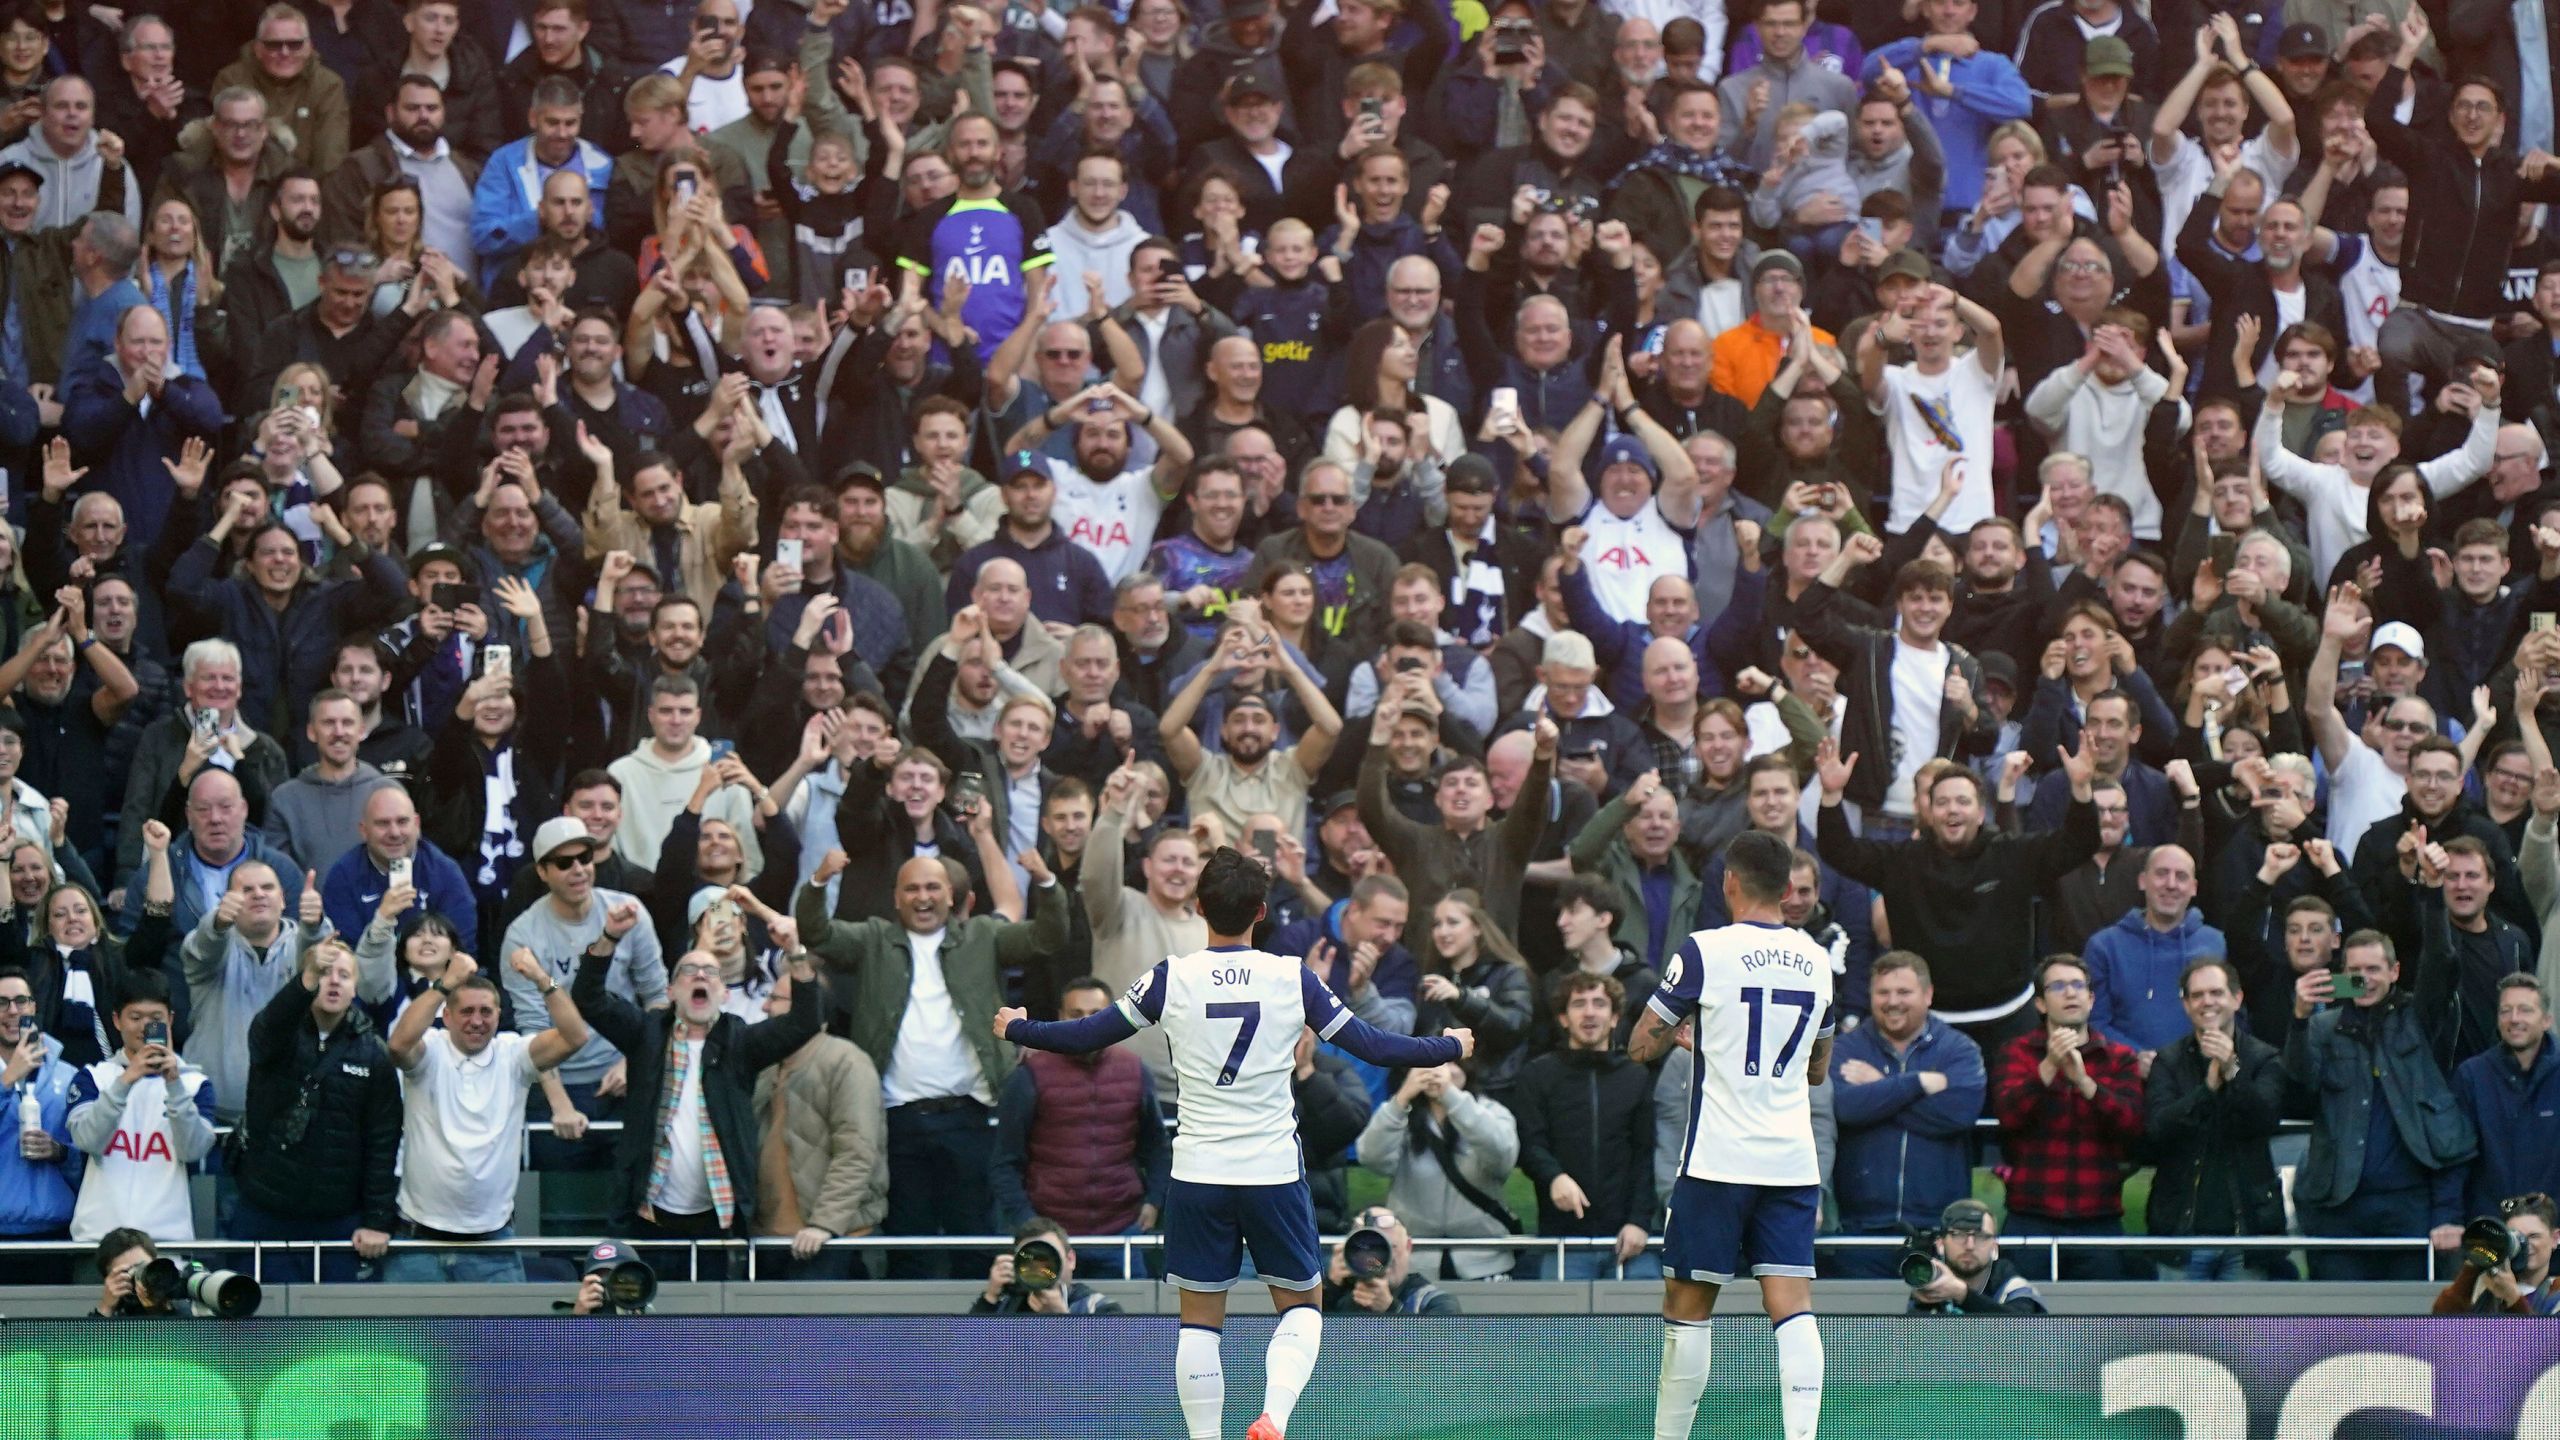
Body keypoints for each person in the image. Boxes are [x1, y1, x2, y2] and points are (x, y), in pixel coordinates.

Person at [994, 846, 1471, 1440]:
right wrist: (1447, 1045)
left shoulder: (1169, 978)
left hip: (1197, 1171)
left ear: (1199, 908)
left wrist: (1020, 1026)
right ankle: (1274, 1415)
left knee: (1199, 1324)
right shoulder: (1292, 978)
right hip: (1271, 1169)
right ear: (1262, 911)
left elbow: (1088, 1032)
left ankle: (1205, 1438)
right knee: (1301, 1307)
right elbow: (1375, 1045)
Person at [1627, 830, 1833, 1440]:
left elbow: (1641, 1045)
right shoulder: (1816, 959)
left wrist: (1684, 1032)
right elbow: (1817, 1069)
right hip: (1792, 1161)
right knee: (1792, 1307)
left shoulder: (1703, 950)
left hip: (1717, 1158)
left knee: (1688, 1310)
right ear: (1791, 890)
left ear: (1730, 882)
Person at [574, 911, 827, 1276]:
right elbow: (588, 998)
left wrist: (794, 951)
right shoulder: (646, 1036)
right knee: (649, 1324)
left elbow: (806, 1020)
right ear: (671, 992)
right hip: (649, 1218)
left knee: (708, 1328)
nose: (700, 977)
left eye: (711, 973)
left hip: (718, 1221)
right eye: (689, 971)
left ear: (724, 994)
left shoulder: (740, 1042)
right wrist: (609, 938)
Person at [383, 946, 591, 1283]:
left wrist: (541, 978)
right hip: (417, 1240)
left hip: (492, 1244)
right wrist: (445, 983)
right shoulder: (431, 1049)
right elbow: (398, 1045)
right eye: (465, 1011)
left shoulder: (514, 1054)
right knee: (407, 1339)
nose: (476, 1021)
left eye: (485, 1012)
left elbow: (575, 1036)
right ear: (446, 1016)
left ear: (498, 1014)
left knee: (502, 1339)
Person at [2287, 929, 2479, 1280]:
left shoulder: (2418, 1019)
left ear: (2395, 972)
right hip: (2338, 1208)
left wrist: (2432, 895)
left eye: (2375, 969)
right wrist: (2298, 1020)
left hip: (2406, 1206)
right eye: (2355, 971)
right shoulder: (2321, 1028)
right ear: (2343, 975)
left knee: (2408, 1328)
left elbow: (2440, 962)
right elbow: (2298, 1091)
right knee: (2340, 1331)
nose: (2364, 979)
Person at [229, 938, 400, 1283]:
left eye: (344, 975)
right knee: (254, 1329)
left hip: (338, 1217)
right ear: (306, 980)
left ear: (355, 989)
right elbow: (267, 1031)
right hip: (264, 1208)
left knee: (334, 1332)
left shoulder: (373, 1053)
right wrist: (304, 981)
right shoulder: (277, 1034)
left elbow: (382, 1142)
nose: (334, 980)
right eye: (324, 972)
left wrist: (377, 1220)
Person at [989, 974, 1171, 1275]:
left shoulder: (1134, 1070)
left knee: (1131, 1322)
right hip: (1050, 1236)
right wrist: (1027, 1223)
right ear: (1060, 1017)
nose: (1086, 1024)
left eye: (1096, 1016)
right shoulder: (1030, 1076)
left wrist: (1154, 1200)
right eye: (1076, 1015)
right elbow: (1004, 1161)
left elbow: (1157, 1147)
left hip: (1122, 1232)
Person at [1826, 952, 1986, 1277]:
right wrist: (1916, 1084)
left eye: (1904, 992)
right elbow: (1846, 1107)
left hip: (1938, 1232)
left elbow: (1960, 1113)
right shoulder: (1845, 1049)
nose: (1892, 1002)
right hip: (1858, 1229)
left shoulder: (1959, 1049)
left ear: (1928, 995)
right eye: (1883, 993)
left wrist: (1880, 1090)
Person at [2144, 956, 2291, 1280]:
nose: (2207, 1001)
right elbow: (2157, 1130)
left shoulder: (2265, 1057)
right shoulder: (2167, 1061)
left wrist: (2233, 1072)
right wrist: (2208, 1089)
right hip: (2181, 1236)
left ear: (2236, 999)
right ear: (2185, 1004)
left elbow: (2265, 1120)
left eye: (2216, 992)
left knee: (2246, 1333)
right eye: (2197, 995)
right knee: (2175, 1333)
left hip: (2248, 1236)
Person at [1513, 971, 1657, 1279]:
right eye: (1579, 1004)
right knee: (1561, 1324)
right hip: (1563, 1239)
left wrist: (1639, 1221)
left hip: (1628, 1239)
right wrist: (1554, 1177)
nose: (1590, 1012)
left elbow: (1646, 1154)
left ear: (1615, 1017)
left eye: (1599, 1003)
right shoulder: (1537, 1075)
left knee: (1646, 1319)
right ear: (1564, 1018)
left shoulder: (1637, 1077)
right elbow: (1529, 1142)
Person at [748, 966, 887, 1280]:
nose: (765, 1006)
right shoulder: (766, 1064)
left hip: (829, 1242)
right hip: (768, 1240)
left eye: (775, 998)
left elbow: (856, 1150)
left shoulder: (847, 1062)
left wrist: (825, 1224)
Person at [66, 969, 215, 1246]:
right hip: (97, 1241)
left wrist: (174, 1085)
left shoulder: (194, 1083)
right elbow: (87, 1140)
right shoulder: (94, 1077)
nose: (145, 1027)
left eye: (155, 1019)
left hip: (166, 1242)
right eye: (135, 1018)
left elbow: (192, 1150)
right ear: (117, 1021)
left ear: (170, 1020)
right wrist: (126, 1080)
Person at [2453, 974, 2560, 1221]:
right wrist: (2449, 1217)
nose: (2514, 1019)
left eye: (2525, 1010)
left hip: (2553, 1232)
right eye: (2505, 1011)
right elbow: (2456, 1157)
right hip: (2490, 1230)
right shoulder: (2472, 1076)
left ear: (2546, 1020)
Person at [1906, 1198, 2047, 1314]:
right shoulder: (1931, 1280)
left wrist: (1963, 1295)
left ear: (1994, 1246)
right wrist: (1923, 1306)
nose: (1970, 1246)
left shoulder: (2011, 1286)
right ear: (1940, 1244)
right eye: (1959, 1234)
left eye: (1980, 1236)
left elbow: (2025, 1335)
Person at [971, 1213, 1129, 1314]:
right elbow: (967, 1359)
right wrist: (990, 1298)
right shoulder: (1005, 1306)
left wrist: (1061, 1319)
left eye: (1047, 1258)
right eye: (1030, 1259)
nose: (1040, 1268)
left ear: (1070, 1260)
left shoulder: (1098, 1308)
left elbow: (1107, 1364)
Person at [2432, 1193, 2560, 1315]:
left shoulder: (2556, 1291)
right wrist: (2475, 1260)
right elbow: (2441, 1323)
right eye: (2516, 1237)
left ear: (2555, 1238)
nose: (2525, 1245)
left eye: (2533, 1236)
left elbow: (2544, 1337)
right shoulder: (2486, 1284)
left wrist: (2513, 1298)